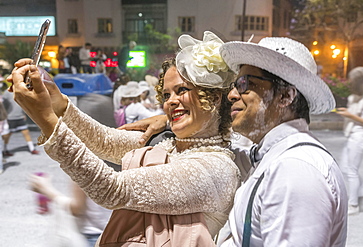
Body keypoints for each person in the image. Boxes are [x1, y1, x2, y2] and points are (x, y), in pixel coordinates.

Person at [9, 31, 240, 246]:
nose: (170, 101)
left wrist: (46, 119)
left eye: (181, 91)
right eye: (166, 94)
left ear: (214, 97)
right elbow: (104, 141)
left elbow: (112, 189)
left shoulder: (216, 168)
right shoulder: (170, 143)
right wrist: (56, 100)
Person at [124, 37, 349, 246]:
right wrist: (171, 118)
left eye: (243, 84)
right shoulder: (267, 157)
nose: (232, 95)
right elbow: (221, 147)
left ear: (285, 96)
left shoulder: (294, 169)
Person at [29, 174, 112, 247]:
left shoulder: (82, 164)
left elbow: (77, 209)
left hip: (94, 237)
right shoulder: (122, 161)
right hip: (119, 235)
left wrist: (46, 189)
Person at [336, 66, 363, 215]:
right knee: (345, 168)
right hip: (351, 135)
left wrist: (350, 116)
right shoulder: (356, 96)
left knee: (351, 171)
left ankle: (353, 204)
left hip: (360, 136)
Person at [2, 90, 39, 155]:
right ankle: (5, 149)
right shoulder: (7, 92)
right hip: (10, 117)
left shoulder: (21, 91)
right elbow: (3, 105)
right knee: (8, 134)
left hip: (20, 116)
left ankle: (32, 148)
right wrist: (4, 116)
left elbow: (23, 103)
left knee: (26, 132)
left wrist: (24, 114)